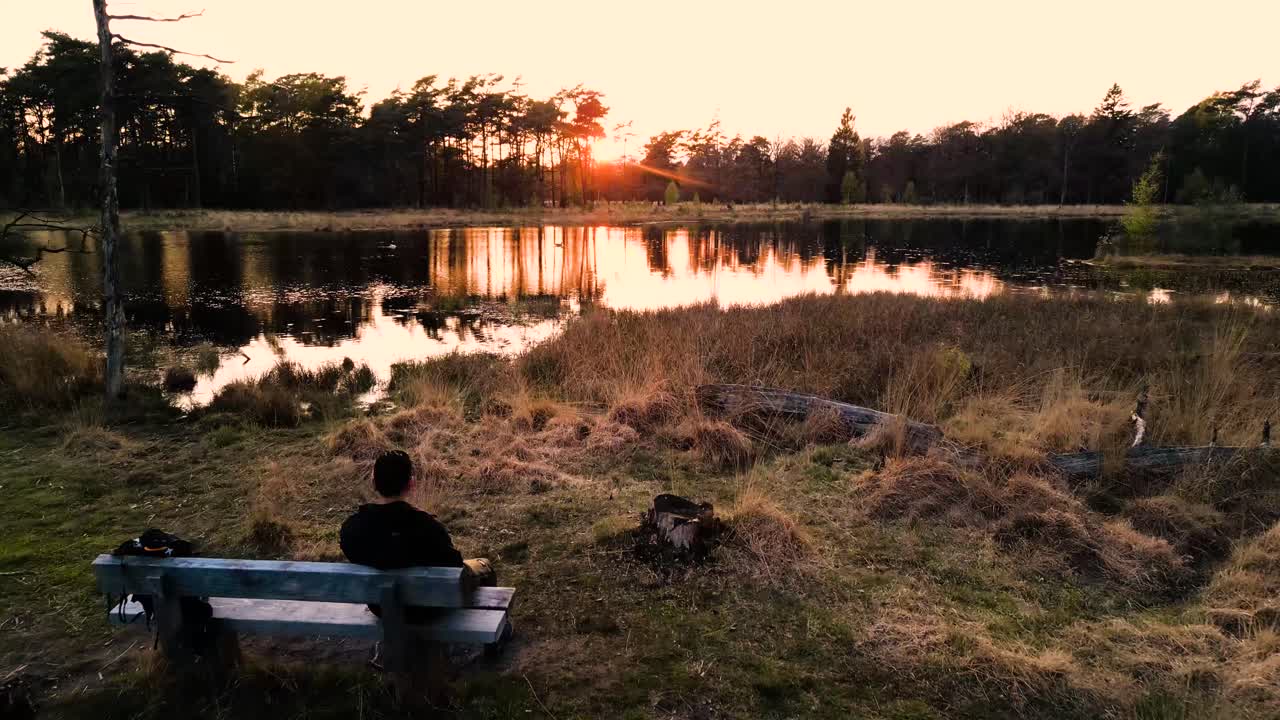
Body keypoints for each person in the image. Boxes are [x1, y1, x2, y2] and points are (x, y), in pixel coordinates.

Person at [340, 450, 464, 572]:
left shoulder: (351, 529)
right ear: (410, 484)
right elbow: (454, 566)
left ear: (373, 483)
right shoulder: (430, 530)